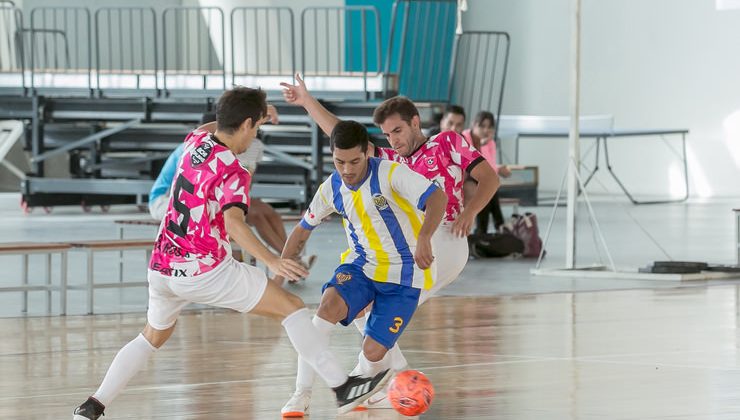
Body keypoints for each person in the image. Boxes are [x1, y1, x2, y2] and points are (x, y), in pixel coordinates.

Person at [72, 87, 390, 420]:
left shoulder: (194, 143)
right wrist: (272, 260)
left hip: (163, 266)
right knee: (293, 308)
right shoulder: (234, 170)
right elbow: (235, 223)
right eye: (256, 128)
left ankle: (93, 405)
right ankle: (342, 387)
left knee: (152, 336)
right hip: (206, 270)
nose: (254, 137)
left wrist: (251, 111)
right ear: (247, 124)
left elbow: (210, 127)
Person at [279, 74, 500, 409]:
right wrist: (308, 101)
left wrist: (470, 211)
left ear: (415, 122)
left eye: (397, 130)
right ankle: (383, 376)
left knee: (369, 309)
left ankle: (372, 377)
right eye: (386, 134)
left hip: (445, 236)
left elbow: (489, 178)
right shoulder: (389, 162)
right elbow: (344, 135)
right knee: (357, 311)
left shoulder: (447, 142)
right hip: (408, 243)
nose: (393, 140)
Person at [278, 120, 448, 417]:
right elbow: (303, 230)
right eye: (339, 161)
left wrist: (424, 238)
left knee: (373, 352)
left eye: (354, 161)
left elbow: (438, 197)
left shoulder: (391, 174)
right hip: (362, 265)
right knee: (325, 309)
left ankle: (372, 383)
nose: (347, 169)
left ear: (367, 152)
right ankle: (301, 394)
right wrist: (277, 276)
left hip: (405, 273)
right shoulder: (331, 187)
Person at [148, 111, 316, 271]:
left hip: (199, 196)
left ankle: (290, 259)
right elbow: (191, 188)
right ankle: (290, 260)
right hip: (166, 199)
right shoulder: (194, 146)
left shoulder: (216, 145)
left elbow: (242, 184)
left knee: (269, 212)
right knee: (252, 214)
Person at [462, 111, 512, 234]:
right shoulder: (464, 137)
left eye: (489, 127)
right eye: (482, 126)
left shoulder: (490, 143)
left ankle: (484, 231)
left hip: (478, 178)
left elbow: (490, 167)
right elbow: (469, 164)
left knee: (488, 185)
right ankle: (498, 225)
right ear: (473, 124)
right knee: (486, 185)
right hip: (464, 177)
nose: (486, 130)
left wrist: (484, 145)